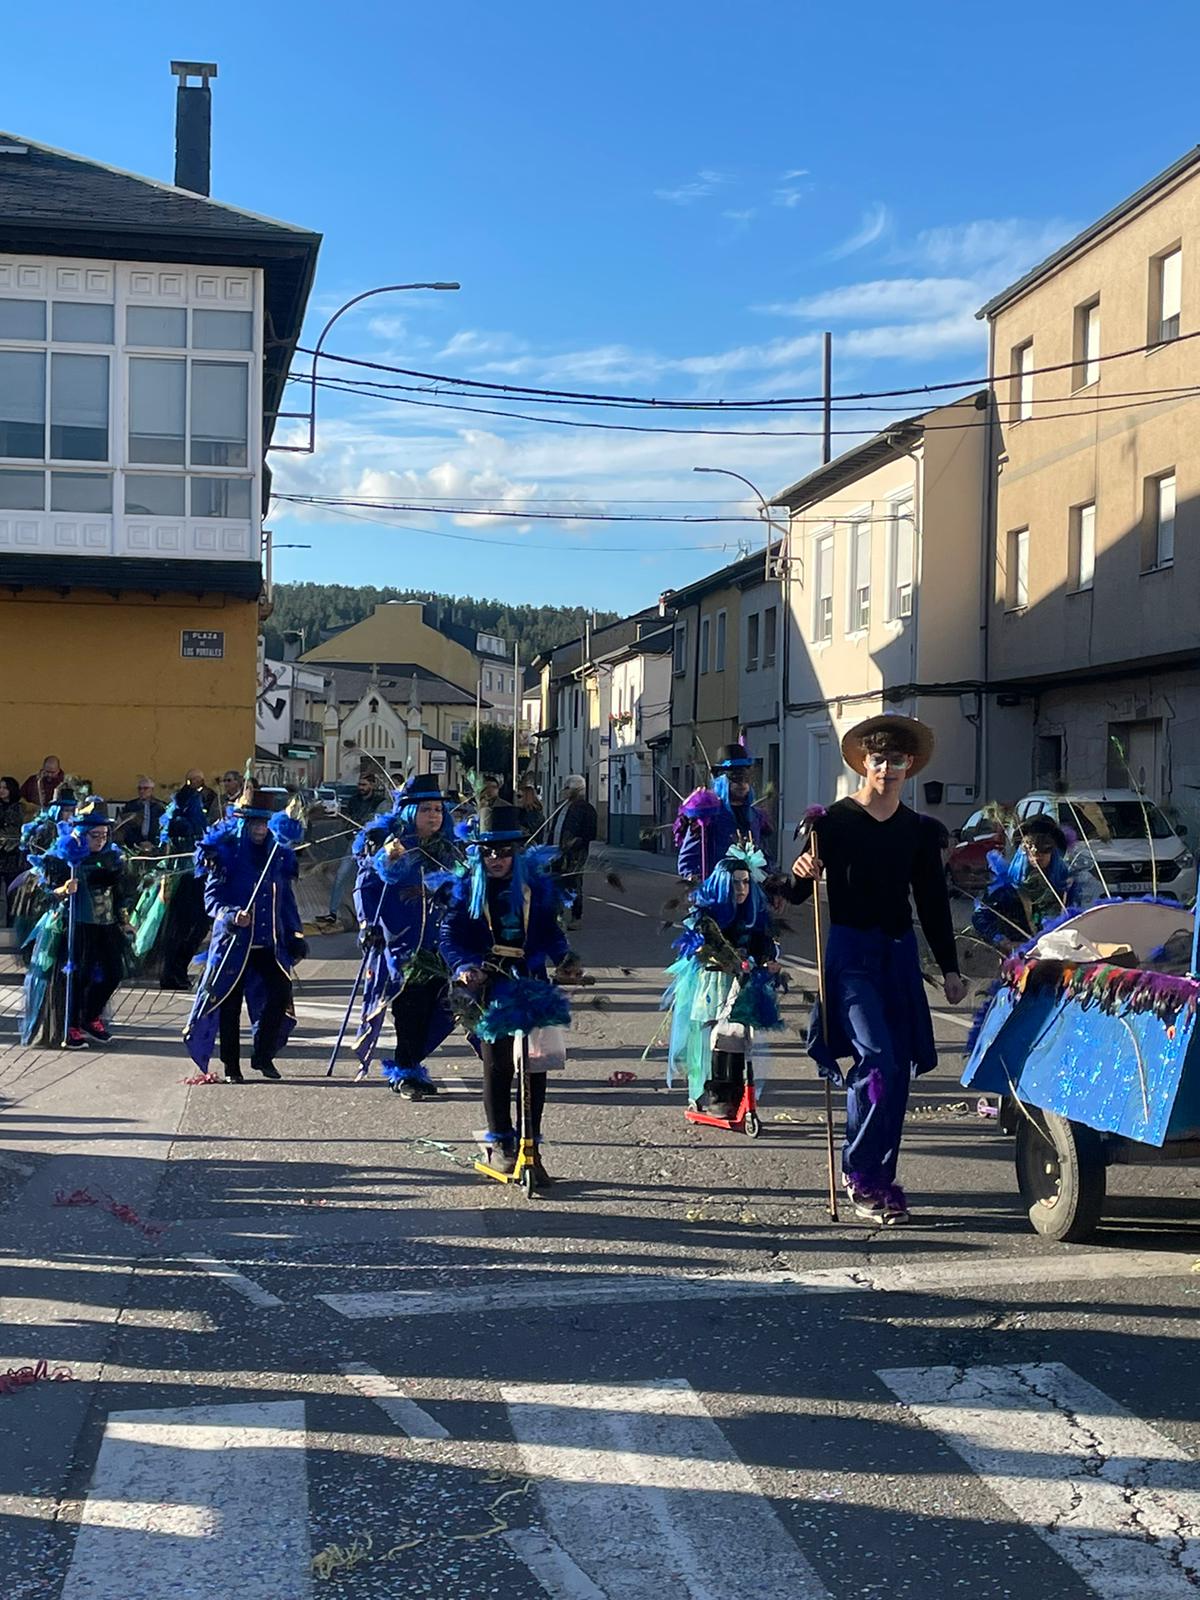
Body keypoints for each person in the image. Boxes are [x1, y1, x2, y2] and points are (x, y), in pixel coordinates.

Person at [786, 714, 967, 1227]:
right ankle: (859, 1173)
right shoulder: (833, 823)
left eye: (897, 760)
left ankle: (881, 1179)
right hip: (851, 956)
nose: (887, 767)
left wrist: (950, 969)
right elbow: (797, 890)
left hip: (899, 955)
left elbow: (932, 903)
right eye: (879, 759)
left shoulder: (917, 831)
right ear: (864, 763)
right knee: (879, 1059)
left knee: (897, 1071)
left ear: (910, 766)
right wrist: (802, 873)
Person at [440, 802, 582, 1184]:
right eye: (488, 851)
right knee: (499, 1063)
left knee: (536, 1064)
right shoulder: (468, 888)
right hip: (488, 983)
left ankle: (530, 1143)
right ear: (478, 853)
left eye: (504, 851)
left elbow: (551, 932)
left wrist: (564, 956)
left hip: (530, 979)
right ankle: (502, 1141)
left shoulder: (533, 887)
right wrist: (465, 967)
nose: (496, 859)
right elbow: (450, 936)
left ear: (515, 852)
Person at [183, 786, 307, 1083]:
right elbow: (211, 900)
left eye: (265, 823)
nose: (261, 830)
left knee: (280, 991)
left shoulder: (277, 856)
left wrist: (296, 935)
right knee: (230, 1002)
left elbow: (286, 901)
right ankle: (230, 1066)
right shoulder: (224, 856)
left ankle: (263, 1055)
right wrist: (231, 915)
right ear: (243, 823)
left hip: (267, 944)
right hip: (233, 944)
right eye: (255, 823)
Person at [353, 773, 462, 1096]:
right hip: (403, 943)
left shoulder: (449, 849)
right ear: (410, 812)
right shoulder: (394, 847)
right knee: (410, 1009)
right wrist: (367, 925)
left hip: (442, 945)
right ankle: (404, 1072)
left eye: (438, 810)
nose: (433, 815)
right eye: (426, 809)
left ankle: (412, 1065)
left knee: (441, 1010)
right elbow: (365, 887)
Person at [663, 845, 784, 1120]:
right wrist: (728, 959)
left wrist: (767, 960)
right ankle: (716, 1090)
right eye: (734, 883)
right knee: (718, 1037)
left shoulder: (753, 915)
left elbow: (763, 941)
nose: (741, 888)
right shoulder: (707, 918)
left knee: (741, 1037)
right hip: (714, 984)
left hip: (743, 981)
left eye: (745, 882)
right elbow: (706, 945)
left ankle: (735, 1090)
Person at [22, 798, 135, 1049]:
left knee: (113, 973)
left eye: (104, 835)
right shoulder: (62, 858)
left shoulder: (111, 858)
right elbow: (41, 897)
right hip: (75, 925)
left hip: (105, 927)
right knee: (76, 976)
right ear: (82, 834)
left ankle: (89, 1016)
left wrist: (124, 920)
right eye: (95, 835)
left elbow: (118, 895)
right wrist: (63, 889)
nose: (100, 840)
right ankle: (70, 1023)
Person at [972, 816, 1090, 954]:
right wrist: (1002, 941)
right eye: (1029, 846)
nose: (1035, 852)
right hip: (1017, 961)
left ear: (1054, 851)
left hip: (1057, 958)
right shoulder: (1007, 888)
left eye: (1044, 847)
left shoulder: (1066, 887)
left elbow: (1078, 921)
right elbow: (980, 917)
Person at [675, 743, 774, 883]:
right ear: (722, 780)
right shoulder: (706, 816)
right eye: (735, 779)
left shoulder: (756, 817)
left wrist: (772, 882)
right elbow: (688, 861)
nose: (742, 785)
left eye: (746, 780)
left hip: (750, 893)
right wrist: (696, 883)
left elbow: (763, 856)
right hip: (718, 892)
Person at [152, 785, 213, 989]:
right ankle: (172, 973)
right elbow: (172, 851)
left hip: (197, 879)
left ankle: (178, 970)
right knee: (180, 930)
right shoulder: (178, 823)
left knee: (198, 927)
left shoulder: (195, 822)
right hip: (183, 881)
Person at [316, 771, 385, 929]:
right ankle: (332, 913)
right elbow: (347, 818)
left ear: (372, 786)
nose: (360, 788)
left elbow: (380, 822)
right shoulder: (354, 800)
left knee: (371, 880)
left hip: (373, 848)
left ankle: (374, 915)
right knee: (341, 876)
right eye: (359, 784)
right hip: (354, 843)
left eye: (364, 785)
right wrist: (347, 825)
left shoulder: (380, 802)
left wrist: (367, 824)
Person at [548, 775, 597, 926]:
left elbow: (590, 833)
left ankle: (576, 916)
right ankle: (557, 914)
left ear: (577, 789)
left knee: (573, 882)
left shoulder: (586, 809)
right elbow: (554, 828)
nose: (565, 792)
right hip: (556, 850)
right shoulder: (561, 806)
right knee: (555, 881)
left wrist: (576, 842)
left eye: (568, 788)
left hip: (575, 853)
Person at [114, 778, 165, 849]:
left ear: (152, 790)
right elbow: (125, 826)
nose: (142, 791)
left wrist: (154, 843)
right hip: (135, 845)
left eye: (145, 788)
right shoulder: (130, 806)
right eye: (140, 788)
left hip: (155, 844)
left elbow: (164, 827)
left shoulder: (160, 806)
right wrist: (139, 842)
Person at [0, 775, 25, 918]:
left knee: (12, 892)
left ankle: (12, 921)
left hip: (14, 856)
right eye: (0, 787)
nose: (2, 790)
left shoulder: (21, 808)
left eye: (5, 788)